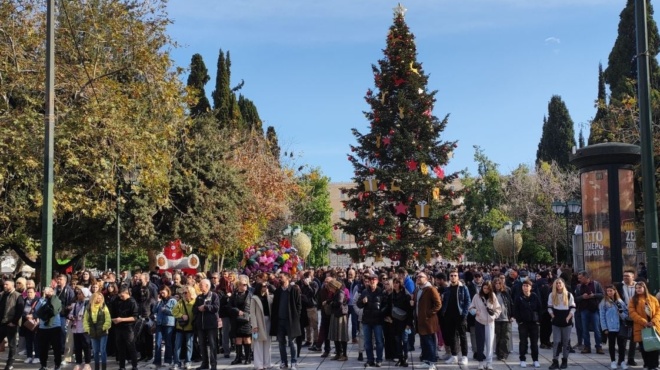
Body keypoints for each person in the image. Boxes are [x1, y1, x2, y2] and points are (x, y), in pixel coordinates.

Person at [270, 272, 302, 370]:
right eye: (279, 277)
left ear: (288, 278)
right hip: (280, 321)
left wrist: (296, 317)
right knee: (281, 343)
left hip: (291, 321)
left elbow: (299, 305)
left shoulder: (294, 290)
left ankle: (294, 362)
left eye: (281, 277)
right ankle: (284, 362)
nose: (279, 279)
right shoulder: (278, 291)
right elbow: (275, 306)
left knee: (292, 342)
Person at [440, 268, 471, 366]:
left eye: (455, 275)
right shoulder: (447, 288)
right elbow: (444, 301)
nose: (453, 277)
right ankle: (454, 356)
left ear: (458, 277)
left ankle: (464, 356)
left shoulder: (463, 288)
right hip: (449, 316)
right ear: (449, 277)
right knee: (452, 336)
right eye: (451, 275)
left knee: (462, 336)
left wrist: (464, 313)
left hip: (460, 315)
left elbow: (467, 301)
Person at [468, 280, 501, 370]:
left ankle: (489, 363)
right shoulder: (476, 296)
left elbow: (498, 309)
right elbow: (470, 307)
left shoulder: (493, 296)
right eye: (484, 288)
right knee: (480, 343)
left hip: (490, 323)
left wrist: (494, 316)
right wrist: (476, 312)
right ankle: (480, 362)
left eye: (487, 288)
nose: (486, 290)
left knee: (490, 344)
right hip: (479, 321)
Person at [629, 281, 660, 370]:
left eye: (640, 288)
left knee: (655, 346)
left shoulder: (653, 299)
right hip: (641, 326)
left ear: (644, 288)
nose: (638, 289)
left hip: (654, 326)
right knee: (644, 347)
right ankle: (647, 364)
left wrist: (654, 321)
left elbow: (658, 311)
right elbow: (632, 313)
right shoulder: (633, 300)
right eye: (637, 288)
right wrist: (643, 322)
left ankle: (654, 365)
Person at [357, 272, 386, 367]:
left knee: (379, 341)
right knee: (367, 342)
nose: (372, 282)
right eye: (370, 280)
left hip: (378, 320)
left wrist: (381, 313)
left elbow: (386, 305)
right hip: (367, 320)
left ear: (377, 281)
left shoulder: (381, 291)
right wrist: (362, 301)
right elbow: (358, 304)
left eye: (374, 280)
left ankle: (379, 359)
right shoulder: (365, 291)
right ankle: (370, 359)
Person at [414, 272, 442, 370]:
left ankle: (432, 362)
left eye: (420, 277)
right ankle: (426, 360)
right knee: (424, 342)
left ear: (426, 279)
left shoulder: (431, 289)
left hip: (428, 320)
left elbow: (438, 304)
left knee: (430, 342)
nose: (418, 278)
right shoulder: (418, 289)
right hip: (420, 320)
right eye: (417, 276)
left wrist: (429, 313)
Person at [513, 279, 542, 369]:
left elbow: (539, 308)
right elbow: (516, 310)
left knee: (534, 342)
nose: (525, 287)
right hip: (523, 323)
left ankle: (535, 359)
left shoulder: (534, 296)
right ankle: (522, 359)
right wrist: (519, 320)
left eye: (527, 286)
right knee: (523, 342)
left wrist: (538, 320)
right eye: (523, 286)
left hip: (534, 323)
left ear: (530, 287)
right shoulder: (519, 297)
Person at [548, 278, 576, 370]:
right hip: (556, 320)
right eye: (557, 283)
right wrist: (552, 316)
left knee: (566, 341)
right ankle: (555, 361)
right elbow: (549, 307)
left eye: (560, 283)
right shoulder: (552, 295)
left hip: (566, 320)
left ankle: (565, 360)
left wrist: (568, 317)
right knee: (556, 341)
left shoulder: (568, 295)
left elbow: (573, 307)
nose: (558, 285)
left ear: (563, 284)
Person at [599, 285, 629, 370]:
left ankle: (622, 361)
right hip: (610, 327)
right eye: (608, 291)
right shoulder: (604, 302)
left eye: (611, 291)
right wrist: (604, 328)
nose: (609, 292)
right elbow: (602, 316)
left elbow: (626, 314)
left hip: (620, 326)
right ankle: (613, 361)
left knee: (621, 345)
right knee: (611, 344)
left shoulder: (620, 301)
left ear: (615, 291)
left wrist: (621, 314)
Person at [575, 271, 605, 355]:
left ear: (586, 277)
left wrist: (593, 295)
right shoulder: (578, 286)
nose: (579, 279)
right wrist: (582, 297)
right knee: (585, 329)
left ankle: (598, 346)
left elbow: (602, 295)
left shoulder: (596, 284)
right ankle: (587, 346)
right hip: (583, 310)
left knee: (597, 329)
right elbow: (575, 299)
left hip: (594, 309)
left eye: (580, 278)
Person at [193, 278, 220, 370]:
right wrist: (198, 308)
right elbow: (194, 309)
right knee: (202, 345)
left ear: (207, 286)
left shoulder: (214, 295)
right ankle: (205, 363)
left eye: (201, 285)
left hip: (211, 325)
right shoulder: (199, 297)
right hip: (201, 325)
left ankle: (213, 364)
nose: (200, 287)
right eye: (199, 285)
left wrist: (206, 307)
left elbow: (216, 307)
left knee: (212, 345)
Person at [111, 286, 139, 370]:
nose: (121, 297)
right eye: (120, 296)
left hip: (128, 327)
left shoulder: (132, 302)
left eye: (122, 296)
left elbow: (135, 317)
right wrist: (114, 320)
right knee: (120, 347)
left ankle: (134, 366)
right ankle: (122, 366)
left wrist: (122, 319)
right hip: (118, 327)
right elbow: (113, 313)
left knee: (131, 346)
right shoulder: (117, 301)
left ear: (127, 293)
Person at [227, 275, 252, 365]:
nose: (245, 286)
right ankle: (238, 357)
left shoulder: (250, 295)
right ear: (239, 285)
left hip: (246, 320)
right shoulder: (234, 295)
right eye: (243, 284)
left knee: (247, 338)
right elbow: (229, 307)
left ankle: (248, 357)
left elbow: (252, 307)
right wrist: (237, 311)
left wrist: (248, 315)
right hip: (236, 319)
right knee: (238, 339)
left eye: (246, 284)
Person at [35, 286, 63, 370]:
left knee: (56, 348)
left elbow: (54, 310)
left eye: (49, 291)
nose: (47, 293)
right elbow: (37, 310)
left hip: (54, 327)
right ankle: (43, 365)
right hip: (43, 328)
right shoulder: (41, 300)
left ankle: (57, 364)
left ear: (52, 292)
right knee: (43, 348)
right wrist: (43, 298)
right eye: (45, 291)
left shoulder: (56, 300)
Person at [0, 279, 25, 370]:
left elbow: (20, 310)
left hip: (11, 324)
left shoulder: (18, 296)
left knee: (12, 345)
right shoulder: (2, 294)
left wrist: (14, 322)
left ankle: (9, 364)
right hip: (2, 323)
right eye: (4, 284)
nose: (4, 286)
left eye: (7, 284)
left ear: (12, 285)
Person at [83, 292, 112, 370]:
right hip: (93, 331)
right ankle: (96, 367)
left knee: (102, 350)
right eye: (97, 298)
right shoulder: (88, 308)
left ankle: (103, 367)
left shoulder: (103, 307)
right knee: (95, 351)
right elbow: (85, 320)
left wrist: (104, 327)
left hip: (103, 331)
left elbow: (108, 319)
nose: (99, 300)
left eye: (100, 298)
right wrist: (88, 329)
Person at [616, 270, 638, 367]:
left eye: (628, 276)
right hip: (622, 315)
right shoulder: (619, 286)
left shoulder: (639, 286)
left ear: (633, 277)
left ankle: (631, 359)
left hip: (635, 315)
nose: (625, 278)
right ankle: (621, 359)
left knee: (634, 339)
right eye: (624, 276)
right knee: (622, 338)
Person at [250, 282, 273, 370]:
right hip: (259, 321)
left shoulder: (269, 297)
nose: (266, 287)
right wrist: (254, 325)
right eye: (264, 286)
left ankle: (267, 363)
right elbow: (252, 313)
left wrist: (269, 289)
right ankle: (259, 364)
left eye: (267, 286)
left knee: (267, 342)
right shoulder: (254, 298)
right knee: (258, 342)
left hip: (268, 321)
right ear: (259, 287)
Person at [390, 277, 413, 367]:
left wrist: (409, 324)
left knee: (405, 340)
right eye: (394, 283)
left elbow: (410, 311)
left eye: (397, 283)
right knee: (398, 341)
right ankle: (400, 358)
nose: (395, 285)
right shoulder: (392, 295)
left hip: (404, 322)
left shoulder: (405, 295)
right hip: (395, 322)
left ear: (400, 284)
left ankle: (406, 358)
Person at [172, 285, 196, 370]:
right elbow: (174, 311)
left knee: (189, 346)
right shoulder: (180, 302)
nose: (184, 294)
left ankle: (188, 362)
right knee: (177, 346)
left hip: (190, 328)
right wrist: (181, 315)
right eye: (183, 293)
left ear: (191, 293)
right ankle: (176, 362)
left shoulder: (195, 302)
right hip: (180, 327)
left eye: (186, 292)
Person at [152, 286, 176, 369]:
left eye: (163, 292)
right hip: (159, 323)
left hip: (169, 324)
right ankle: (157, 361)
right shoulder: (160, 301)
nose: (162, 294)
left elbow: (175, 312)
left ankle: (168, 360)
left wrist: (166, 310)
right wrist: (157, 302)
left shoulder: (173, 301)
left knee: (168, 343)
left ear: (167, 291)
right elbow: (154, 310)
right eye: (161, 292)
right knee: (157, 343)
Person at [69, 287, 92, 370]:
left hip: (85, 328)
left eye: (80, 294)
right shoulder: (76, 304)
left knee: (86, 346)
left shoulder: (88, 304)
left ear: (85, 294)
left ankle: (87, 363)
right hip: (76, 328)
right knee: (77, 346)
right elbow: (71, 313)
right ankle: (78, 362)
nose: (78, 295)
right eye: (78, 294)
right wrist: (71, 317)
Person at [327, 279, 349, 361]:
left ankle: (344, 354)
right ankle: (338, 353)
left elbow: (339, 303)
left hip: (340, 316)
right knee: (336, 335)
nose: (330, 289)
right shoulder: (336, 293)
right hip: (335, 315)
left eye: (330, 287)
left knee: (341, 335)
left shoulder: (340, 292)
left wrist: (331, 303)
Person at [493, 277, 513, 361]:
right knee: (498, 336)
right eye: (496, 283)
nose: (497, 285)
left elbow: (510, 304)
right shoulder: (492, 294)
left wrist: (511, 315)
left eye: (499, 283)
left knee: (505, 337)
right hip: (496, 318)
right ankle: (498, 353)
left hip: (505, 318)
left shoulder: (505, 293)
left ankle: (504, 353)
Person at [21, 286, 39, 364]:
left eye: (31, 292)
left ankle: (37, 357)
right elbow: (20, 310)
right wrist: (25, 316)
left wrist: (33, 316)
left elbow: (41, 311)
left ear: (35, 293)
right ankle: (29, 356)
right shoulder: (24, 300)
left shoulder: (38, 301)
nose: (29, 294)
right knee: (28, 340)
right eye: (28, 292)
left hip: (35, 323)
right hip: (27, 323)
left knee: (36, 341)